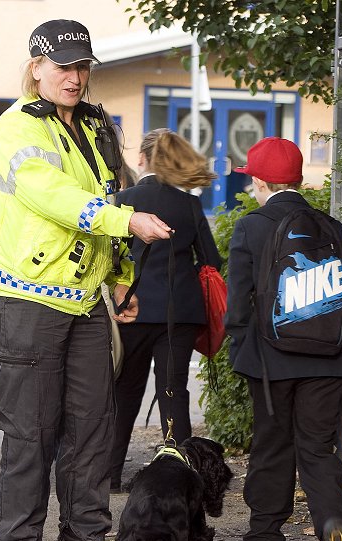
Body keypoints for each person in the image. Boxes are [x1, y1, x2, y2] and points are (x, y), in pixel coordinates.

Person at [0, 19, 172, 541]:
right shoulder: (16, 127)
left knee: (92, 429)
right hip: (24, 296)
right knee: (31, 431)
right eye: (62, 65)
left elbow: (105, 196)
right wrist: (124, 220)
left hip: (84, 299)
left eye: (82, 66)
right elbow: (53, 197)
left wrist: (120, 278)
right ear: (36, 66)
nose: (74, 76)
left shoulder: (93, 124)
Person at [225, 137, 342, 541]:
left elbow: (240, 303)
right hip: (329, 358)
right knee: (318, 449)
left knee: (273, 445)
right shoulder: (330, 226)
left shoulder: (251, 226)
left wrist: (237, 346)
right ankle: (332, 525)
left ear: (261, 182)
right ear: (299, 180)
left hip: (272, 362)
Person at [110, 128, 221, 492]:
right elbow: (210, 260)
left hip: (133, 310)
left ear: (141, 158)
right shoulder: (188, 204)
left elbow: (110, 255)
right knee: (173, 391)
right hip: (181, 312)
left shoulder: (123, 199)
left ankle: (110, 474)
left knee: (125, 391)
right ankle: (185, 475)